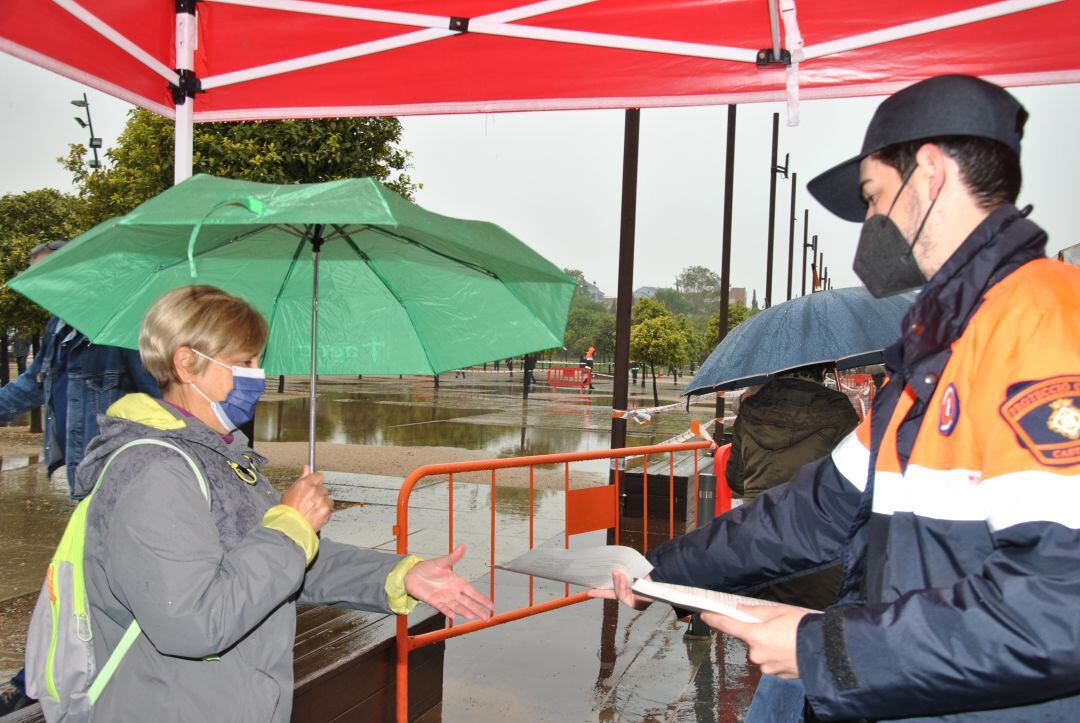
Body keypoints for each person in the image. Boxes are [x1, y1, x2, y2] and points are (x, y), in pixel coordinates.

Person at [594, 75, 1080, 720]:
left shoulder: (1043, 323)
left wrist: (822, 649)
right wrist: (663, 573)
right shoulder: (940, 349)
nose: (871, 225)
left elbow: (1061, 609)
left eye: (874, 197)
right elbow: (813, 511)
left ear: (929, 173)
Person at [49, 285, 493, 721]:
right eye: (244, 361)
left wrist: (400, 575)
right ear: (186, 363)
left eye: (258, 361)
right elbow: (192, 622)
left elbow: (287, 565)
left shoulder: (220, 458)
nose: (257, 375)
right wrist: (290, 527)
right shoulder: (154, 472)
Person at [0, 241, 160, 494]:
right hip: (81, 467)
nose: (40, 287)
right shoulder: (57, 325)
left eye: (47, 277)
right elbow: (33, 383)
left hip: (115, 472)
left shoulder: (118, 329)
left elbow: (158, 397)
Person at [725, 365, 858, 610]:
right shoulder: (839, 409)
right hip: (816, 538)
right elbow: (854, 481)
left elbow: (736, 478)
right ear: (823, 369)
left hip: (758, 531)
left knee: (759, 619)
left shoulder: (751, 407)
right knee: (813, 621)